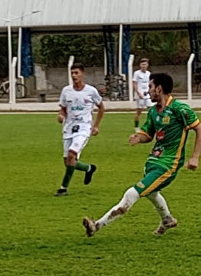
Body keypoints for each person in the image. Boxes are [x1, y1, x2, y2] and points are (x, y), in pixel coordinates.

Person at [83, 73, 201, 237]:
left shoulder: (179, 109)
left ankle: (97, 225)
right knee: (151, 192)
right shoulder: (153, 111)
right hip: (153, 161)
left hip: (168, 165)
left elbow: (198, 128)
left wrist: (195, 157)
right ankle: (167, 219)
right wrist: (139, 138)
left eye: (150, 87)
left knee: (132, 193)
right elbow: (149, 135)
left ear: (159, 88)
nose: (148, 92)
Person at [55, 63, 104, 196]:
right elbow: (63, 108)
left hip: (84, 128)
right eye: (72, 73)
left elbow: (101, 108)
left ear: (83, 74)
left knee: (72, 155)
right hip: (68, 128)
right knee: (68, 162)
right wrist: (60, 115)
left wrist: (96, 126)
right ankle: (89, 168)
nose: (74, 76)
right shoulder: (66, 91)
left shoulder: (91, 91)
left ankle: (63, 188)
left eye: (76, 73)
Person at [133, 58, 152, 133]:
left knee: (151, 109)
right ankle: (136, 126)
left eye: (145, 64)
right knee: (139, 111)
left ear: (147, 65)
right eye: (142, 64)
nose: (144, 66)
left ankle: (150, 125)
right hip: (140, 95)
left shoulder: (148, 73)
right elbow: (134, 83)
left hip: (147, 94)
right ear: (140, 65)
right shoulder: (137, 73)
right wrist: (138, 92)